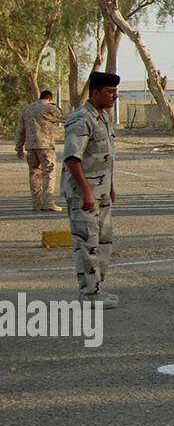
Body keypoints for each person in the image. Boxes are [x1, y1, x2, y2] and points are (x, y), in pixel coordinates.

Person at [61, 71, 119, 307]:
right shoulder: (81, 118)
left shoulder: (102, 116)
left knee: (103, 242)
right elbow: (72, 158)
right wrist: (86, 191)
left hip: (101, 192)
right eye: (109, 92)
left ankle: (97, 288)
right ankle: (88, 293)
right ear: (95, 92)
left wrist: (111, 187)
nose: (114, 96)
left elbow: (106, 157)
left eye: (115, 92)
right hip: (84, 195)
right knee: (87, 243)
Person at [15, 89, 66, 212]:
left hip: (31, 147)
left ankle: (36, 203)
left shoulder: (26, 109)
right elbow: (64, 117)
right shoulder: (48, 108)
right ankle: (48, 202)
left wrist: (19, 147)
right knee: (49, 172)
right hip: (46, 146)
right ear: (49, 98)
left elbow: (20, 130)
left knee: (34, 174)